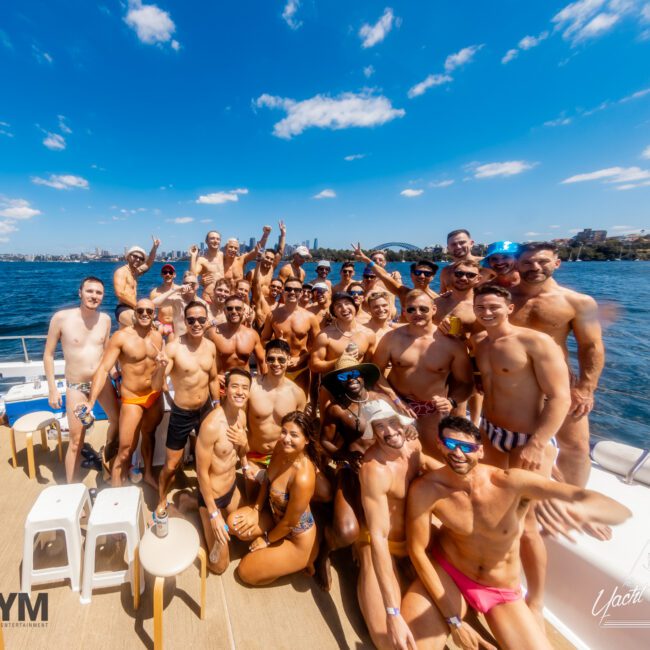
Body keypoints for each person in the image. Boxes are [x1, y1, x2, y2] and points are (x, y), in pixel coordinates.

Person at [403, 416, 631, 650]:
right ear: (440, 445)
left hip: (499, 590)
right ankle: (459, 611)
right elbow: (417, 551)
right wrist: (455, 622)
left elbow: (573, 494)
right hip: (450, 572)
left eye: (467, 447)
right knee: (408, 645)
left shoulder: (510, 483)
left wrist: (589, 512)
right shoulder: (427, 490)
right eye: (451, 445)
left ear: (480, 451)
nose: (458, 453)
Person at [471, 283, 572, 624]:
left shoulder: (535, 342)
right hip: (491, 432)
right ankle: (493, 575)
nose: (487, 312)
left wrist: (538, 443)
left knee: (526, 523)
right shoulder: (480, 343)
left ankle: (537, 599)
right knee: (488, 507)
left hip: (527, 439)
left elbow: (560, 397)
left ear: (509, 308)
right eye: (480, 307)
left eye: (493, 307)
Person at [510, 242, 604, 488]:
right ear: (518, 265)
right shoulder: (504, 297)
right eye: (528, 262)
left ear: (557, 263)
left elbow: (591, 346)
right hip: (512, 383)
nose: (535, 267)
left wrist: (586, 388)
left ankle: (573, 499)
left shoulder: (578, 302)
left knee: (575, 446)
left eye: (542, 261)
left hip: (559, 383)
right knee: (516, 443)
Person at [315, 356, 414, 591]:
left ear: (362, 376)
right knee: (346, 532)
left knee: (396, 524)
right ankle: (323, 553)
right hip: (352, 470)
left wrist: (409, 431)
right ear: (338, 382)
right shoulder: (336, 410)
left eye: (354, 374)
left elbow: (403, 426)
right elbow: (324, 442)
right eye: (343, 376)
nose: (350, 379)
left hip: (384, 470)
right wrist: (344, 457)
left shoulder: (383, 399)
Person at [357, 404, 437, 650]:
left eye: (392, 422)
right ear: (373, 433)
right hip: (381, 545)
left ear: (402, 422)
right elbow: (379, 537)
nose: (390, 431)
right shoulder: (374, 470)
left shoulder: (414, 447)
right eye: (380, 426)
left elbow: (440, 473)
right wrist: (393, 613)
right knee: (387, 640)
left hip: (414, 541)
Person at [373, 290, 473, 453]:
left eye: (423, 309)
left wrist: (451, 402)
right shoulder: (392, 338)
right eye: (411, 309)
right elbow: (376, 371)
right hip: (397, 405)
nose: (417, 313)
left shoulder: (452, 344)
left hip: (431, 409)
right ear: (404, 311)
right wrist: (396, 400)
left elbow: (465, 383)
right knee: (397, 456)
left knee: (432, 455)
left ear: (434, 309)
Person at [227, 411, 319, 586]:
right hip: (274, 516)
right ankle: (275, 555)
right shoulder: (280, 447)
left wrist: (266, 539)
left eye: (294, 435)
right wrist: (257, 509)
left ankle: (304, 558)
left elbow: (290, 523)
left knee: (245, 571)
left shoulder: (304, 477)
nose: (286, 439)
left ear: (306, 440)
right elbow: (267, 481)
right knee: (234, 524)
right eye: (284, 432)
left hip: (296, 538)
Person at [44, 276, 120, 482]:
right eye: (90, 291)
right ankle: (72, 486)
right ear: (80, 292)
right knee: (77, 440)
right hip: (76, 387)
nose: (94, 296)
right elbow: (48, 354)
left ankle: (107, 458)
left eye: (98, 293)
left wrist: (116, 375)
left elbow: (106, 353)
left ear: (103, 297)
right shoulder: (61, 318)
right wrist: (52, 389)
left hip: (101, 383)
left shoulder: (105, 320)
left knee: (118, 421)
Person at [86, 298, 165, 487]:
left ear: (154, 314)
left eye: (149, 311)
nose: (145, 314)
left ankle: (147, 474)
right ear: (134, 313)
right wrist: (91, 402)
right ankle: (116, 488)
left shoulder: (157, 336)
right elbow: (103, 369)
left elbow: (160, 365)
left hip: (154, 395)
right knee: (125, 448)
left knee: (150, 434)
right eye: (140, 311)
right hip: (132, 399)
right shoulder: (121, 337)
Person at [156, 301, 220, 511]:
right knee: (171, 465)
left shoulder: (210, 346)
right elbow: (157, 384)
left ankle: (206, 493)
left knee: (209, 458)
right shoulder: (174, 348)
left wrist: (217, 405)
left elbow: (212, 379)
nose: (196, 324)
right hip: (182, 412)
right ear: (184, 321)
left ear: (206, 320)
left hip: (205, 410)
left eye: (201, 319)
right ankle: (162, 499)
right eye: (191, 320)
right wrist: (159, 368)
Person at [195, 367, 250, 574]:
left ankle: (191, 504)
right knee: (218, 565)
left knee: (247, 534)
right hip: (213, 499)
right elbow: (201, 473)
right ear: (224, 390)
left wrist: (245, 459)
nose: (240, 392)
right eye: (235, 386)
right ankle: (196, 523)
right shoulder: (211, 426)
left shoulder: (241, 416)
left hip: (231, 490)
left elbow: (242, 449)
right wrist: (213, 514)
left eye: (245, 388)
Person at [245, 339, 307, 497]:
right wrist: (242, 461)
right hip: (254, 456)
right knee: (252, 499)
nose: (276, 363)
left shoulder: (297, 393)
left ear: (288, 360)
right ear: (265, 359)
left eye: (281, 359)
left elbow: (301, 431)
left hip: (283, 457)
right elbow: (238, 423)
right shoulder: (252, 387)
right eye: (271, 359)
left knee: (280, 499)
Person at [260, 276, 320, 397]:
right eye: (288, 289)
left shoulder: (310, 317)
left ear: (301, 292)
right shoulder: (273, 315)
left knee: (300, 404)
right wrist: (276, 342)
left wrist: (301, 358)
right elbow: (263, 341)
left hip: (300, 370)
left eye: (296, 290)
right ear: (283, 291)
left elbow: (318, 346)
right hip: (278, 368)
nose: (292, 292)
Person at [352, 244, 440, 310]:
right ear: (411, 275)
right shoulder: (403, 292)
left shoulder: (438, 299)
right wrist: (366, 260)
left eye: (427, 274)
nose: (422, 276)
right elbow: (383, 275)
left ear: (433, 277)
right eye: (417, 272)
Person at [310, 292, 376, 376]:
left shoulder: (369, 334)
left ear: (355, 307)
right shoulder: (324, 336)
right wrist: (340, 361)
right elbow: (314, 366)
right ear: (334, 312)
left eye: (347, 303)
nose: (344, 308)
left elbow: (368, 365)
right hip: (332, 384)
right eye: (338, 306)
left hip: (357, 382)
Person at [207, 295, 265, 387]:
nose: (234, 311)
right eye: (230, 308)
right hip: (220, 383)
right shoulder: (212, 333)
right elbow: (200, 358)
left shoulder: (252, 335)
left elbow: (262, 361)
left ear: (243, 311)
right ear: (224, 311)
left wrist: (263, 382)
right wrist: (214, 376)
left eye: (238, 308)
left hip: (244, 383)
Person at [113, 237, 160, 327]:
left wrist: (154, 248)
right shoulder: (121, 271)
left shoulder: (135, 272)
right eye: (135, 256)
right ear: (128, 256)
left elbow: (148, 264)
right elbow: (120, 293)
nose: (138, 259)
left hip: (134, 308)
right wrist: (139, 306)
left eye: (141, 258)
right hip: (123, 308)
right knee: (144, 326)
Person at [151, 271, 205, 337]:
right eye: (186, 284)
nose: (189, 286)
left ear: (197, 286)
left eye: (192, 284)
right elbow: (153, 304)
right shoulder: (177, 300)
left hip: (196, 341)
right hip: (180, 341)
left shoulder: (203, 303)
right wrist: (174, 290)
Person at [223, 226, 271, 290]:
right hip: (225, 297)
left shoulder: (241, 260)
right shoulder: (220, 261)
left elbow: (256, 250)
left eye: (235, 248)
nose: (233, 250)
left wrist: (265, 235)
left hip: (239, 296)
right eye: (231, 247)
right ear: (226, 247)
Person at [246, 220, 286, 290]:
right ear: (262, 256)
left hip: (268, 300)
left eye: (271, 259)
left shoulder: (271, 268)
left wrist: (283, 235)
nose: (269, 260)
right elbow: (246, 292)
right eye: (267, 257)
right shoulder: (252, 273)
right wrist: (265, 234)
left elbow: (280, 252)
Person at [439, 229, 479, 294]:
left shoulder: (487, 263)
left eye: (462, 242)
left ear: (471, 243)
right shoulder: (446, 271)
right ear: (448, 248)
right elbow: (441, 295)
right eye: (453, 244)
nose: (458, 247)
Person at [190, 230, 225, 301]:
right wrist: (193, 256)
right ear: (206, 241)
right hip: (209, 297)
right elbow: (192, 276)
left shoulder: (222, 255)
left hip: (223, 297)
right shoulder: (202, 260)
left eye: (218, 239)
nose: (215, 241)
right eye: (212, 238)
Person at [150, 264, 179, 339]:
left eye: (170, 272)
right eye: (165, 272)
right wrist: (154, 323)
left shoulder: (179, 290)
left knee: (172, 339)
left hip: (175, 324)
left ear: (174, 275)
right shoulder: (155, 292)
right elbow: (150, 310)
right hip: (160, 324)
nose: (168, 274)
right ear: (161, 275)